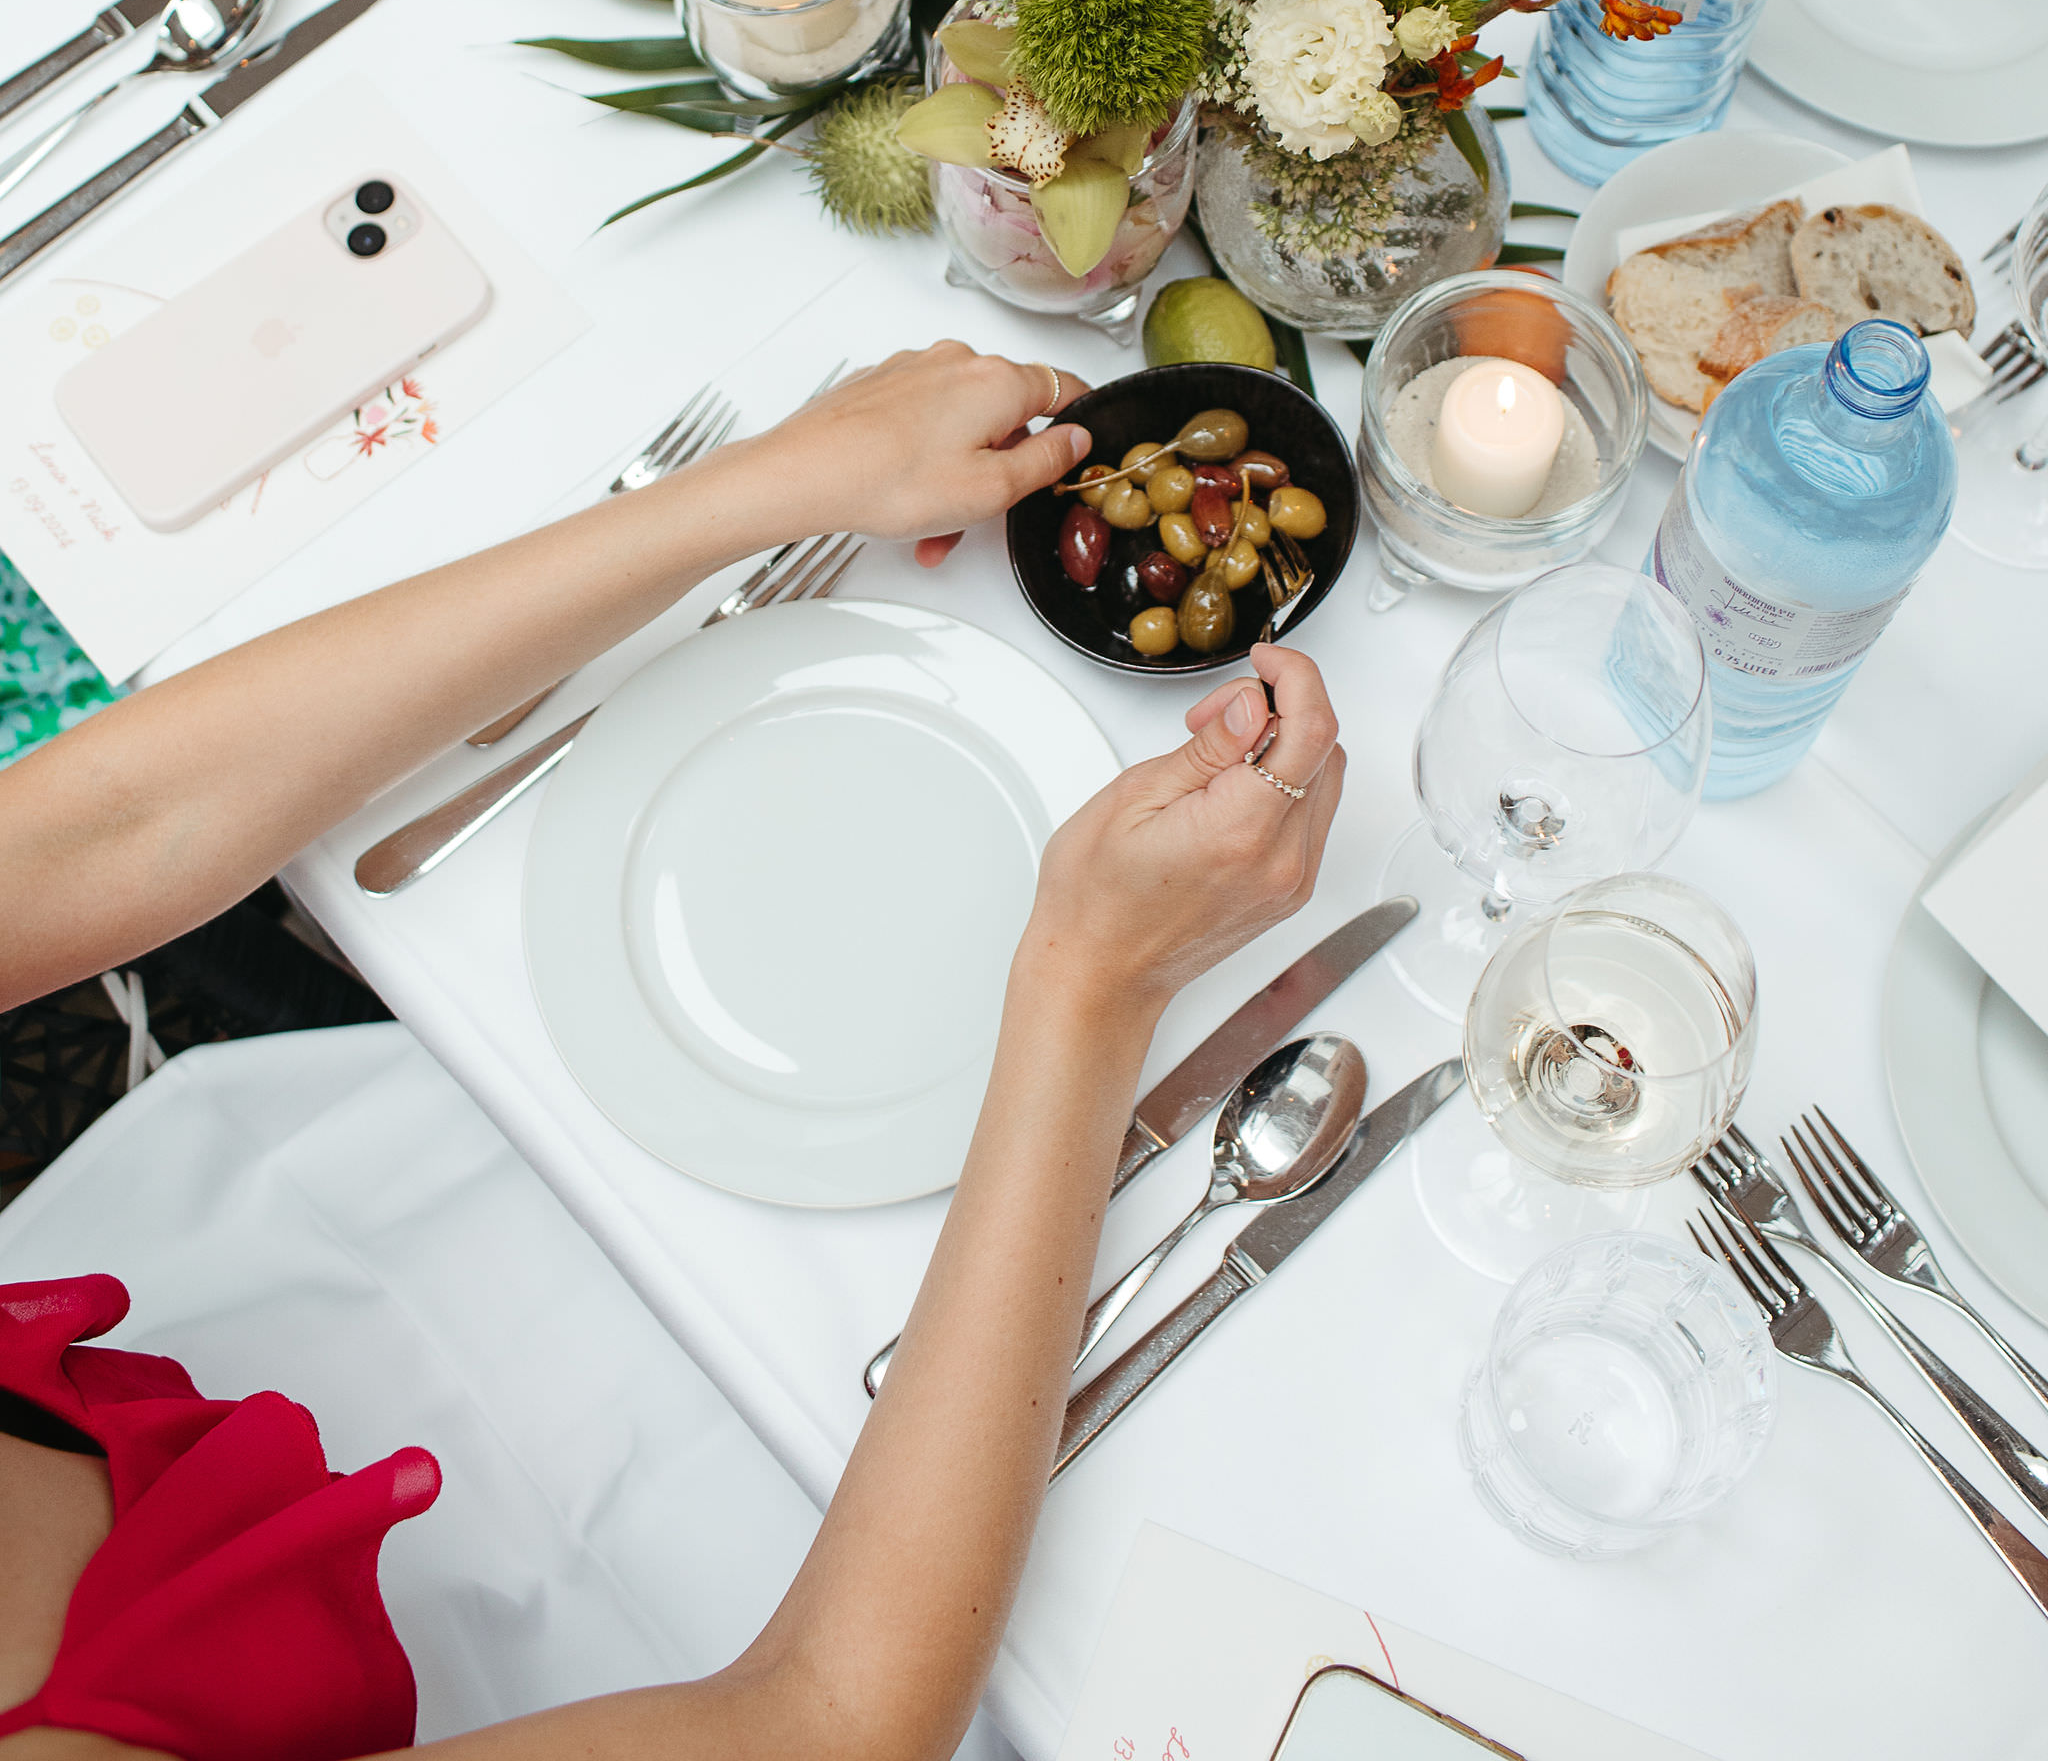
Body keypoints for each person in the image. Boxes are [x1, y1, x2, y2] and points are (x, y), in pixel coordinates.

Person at [0, 343, 1346, 1761]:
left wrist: (769, 485)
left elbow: (102, 836)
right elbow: (829, 1718)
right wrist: (1097, 988)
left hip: (240, 1387)